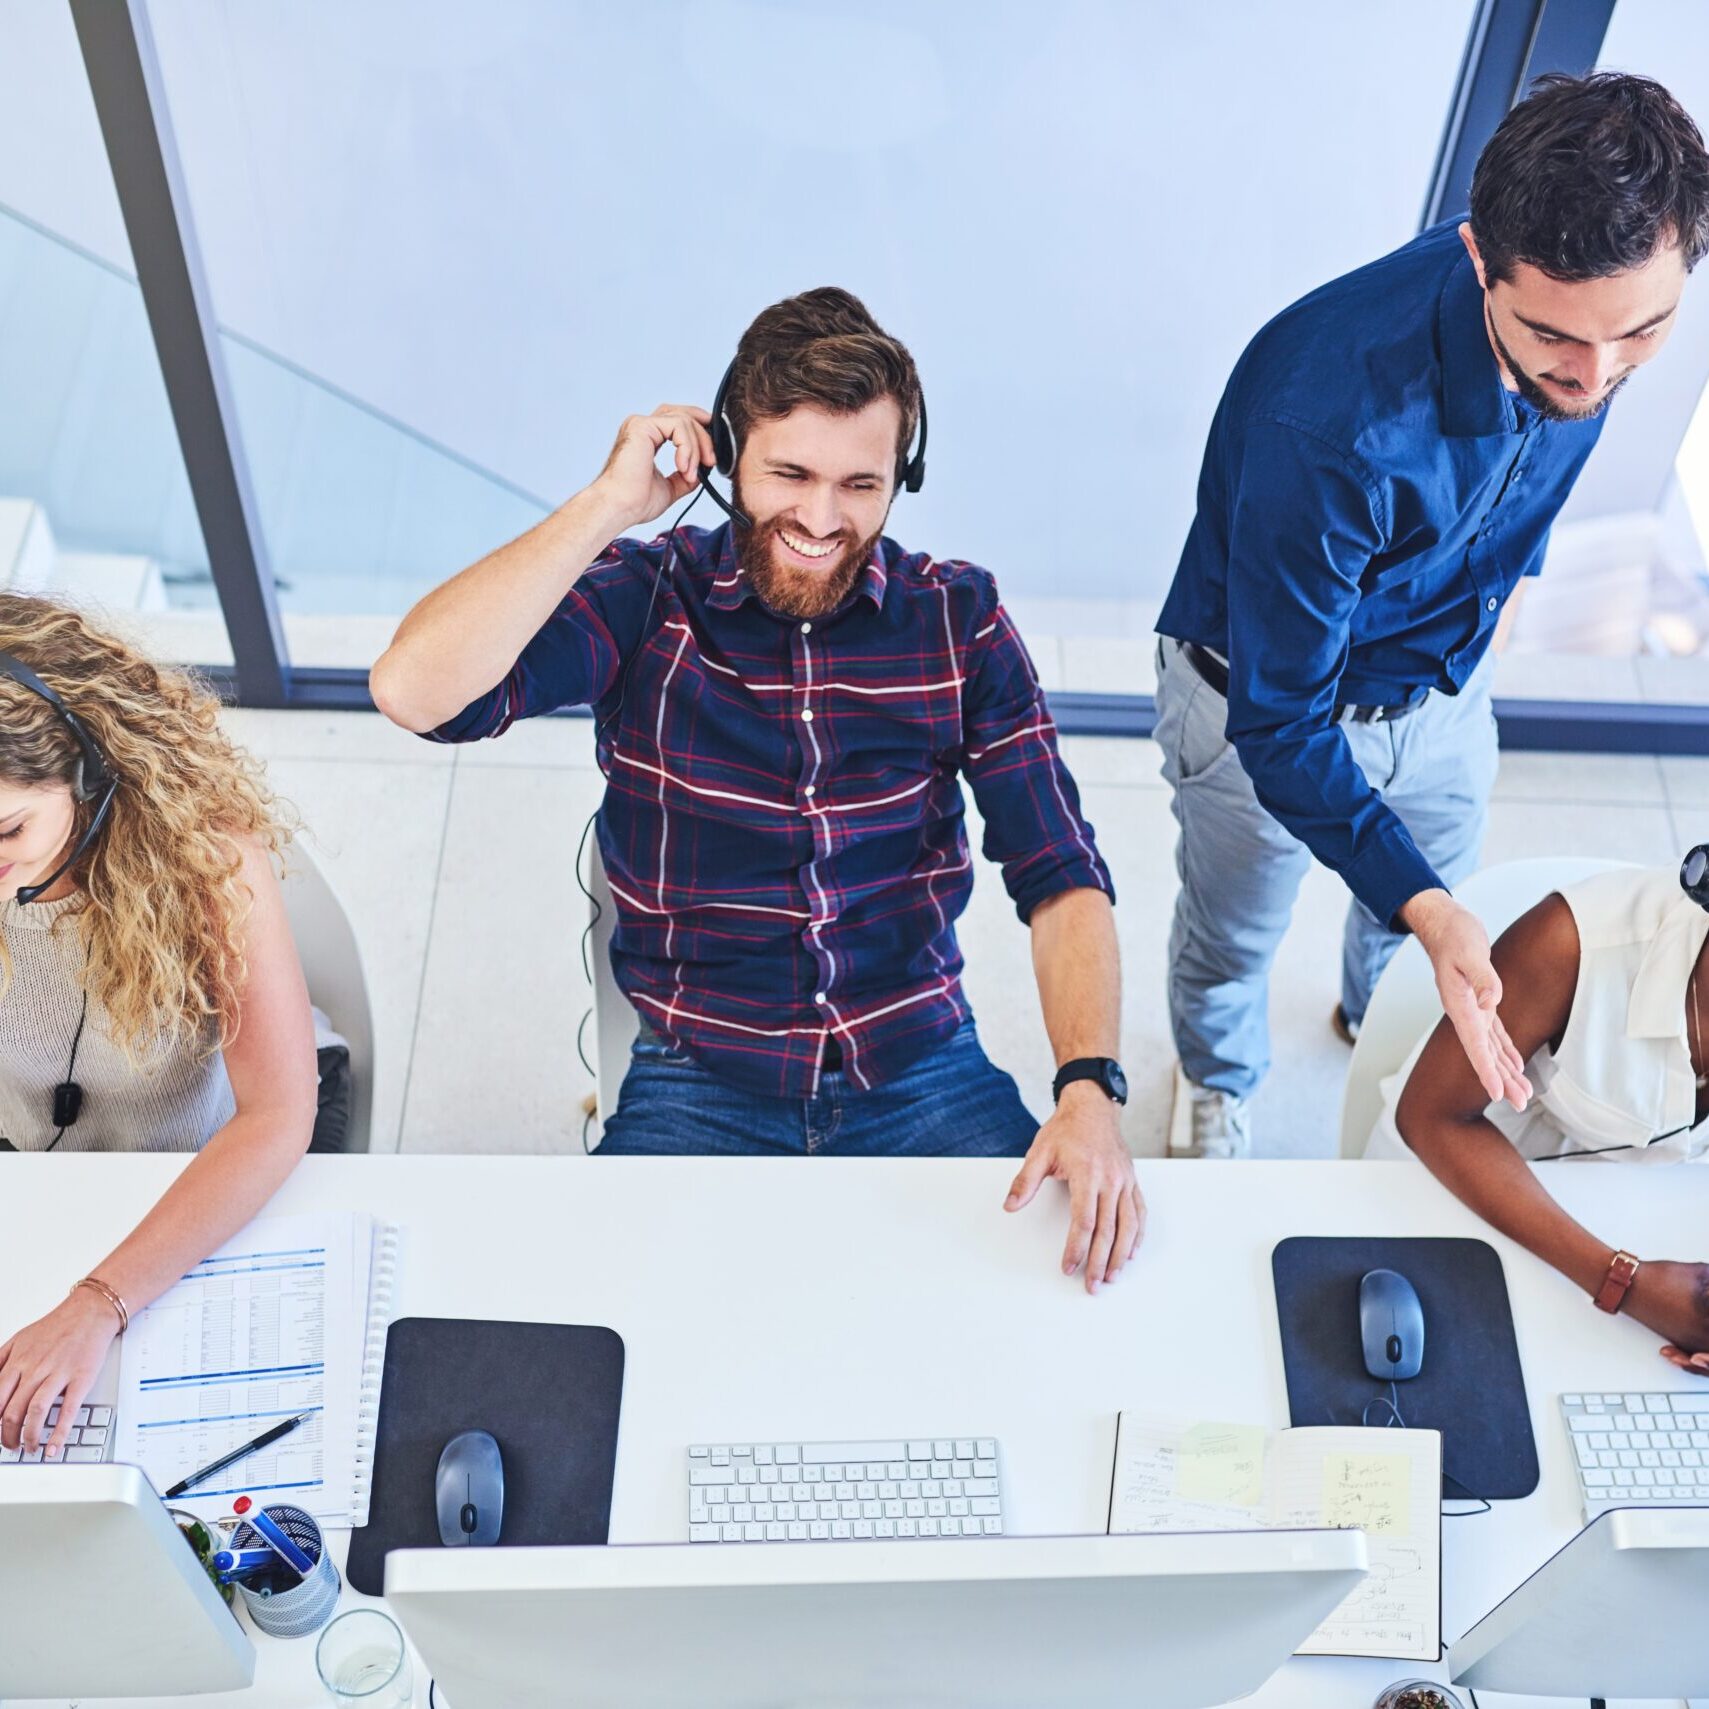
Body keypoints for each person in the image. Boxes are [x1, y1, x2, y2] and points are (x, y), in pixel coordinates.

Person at [372, 287, 1141, 1292]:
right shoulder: (645, 597)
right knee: (591, 1336)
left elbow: (1059, 874)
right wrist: (608, 503)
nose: (822, 519)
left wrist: (1089, 1088)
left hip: (920, 1067)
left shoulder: (960, 620)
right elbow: (413, 690)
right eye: (790, 474)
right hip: (702, 1077)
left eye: (860, 483)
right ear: (728, 456)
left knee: (1067, 1309)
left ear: (900, 477)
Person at [1154, 72, 1709, 1157]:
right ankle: (1215, 1083)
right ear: (1476, 257)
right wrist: (1424, 899)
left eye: (1637, 336)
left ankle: (1375, 1009)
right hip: (1255, 706)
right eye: (1554, 339)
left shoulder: (1585, 329)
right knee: (1233, 938)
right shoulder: (1325, 422)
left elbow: (1531, 464)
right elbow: (1279, 724)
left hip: (1441, 691)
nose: (1594, 376)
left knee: (1407, 927)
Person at [0, 595, 318, 1457]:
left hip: (191, 1184)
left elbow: (279, 1115)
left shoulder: (203, 866)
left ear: (88, 773)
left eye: (7, 828)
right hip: (29, 1178)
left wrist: (97, 1301)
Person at [1372, 852, 1709, 1373]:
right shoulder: (1572, 943)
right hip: (1469, 1180)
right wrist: (1622, 1282)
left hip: (1632, 1218)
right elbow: (1431, 1116)